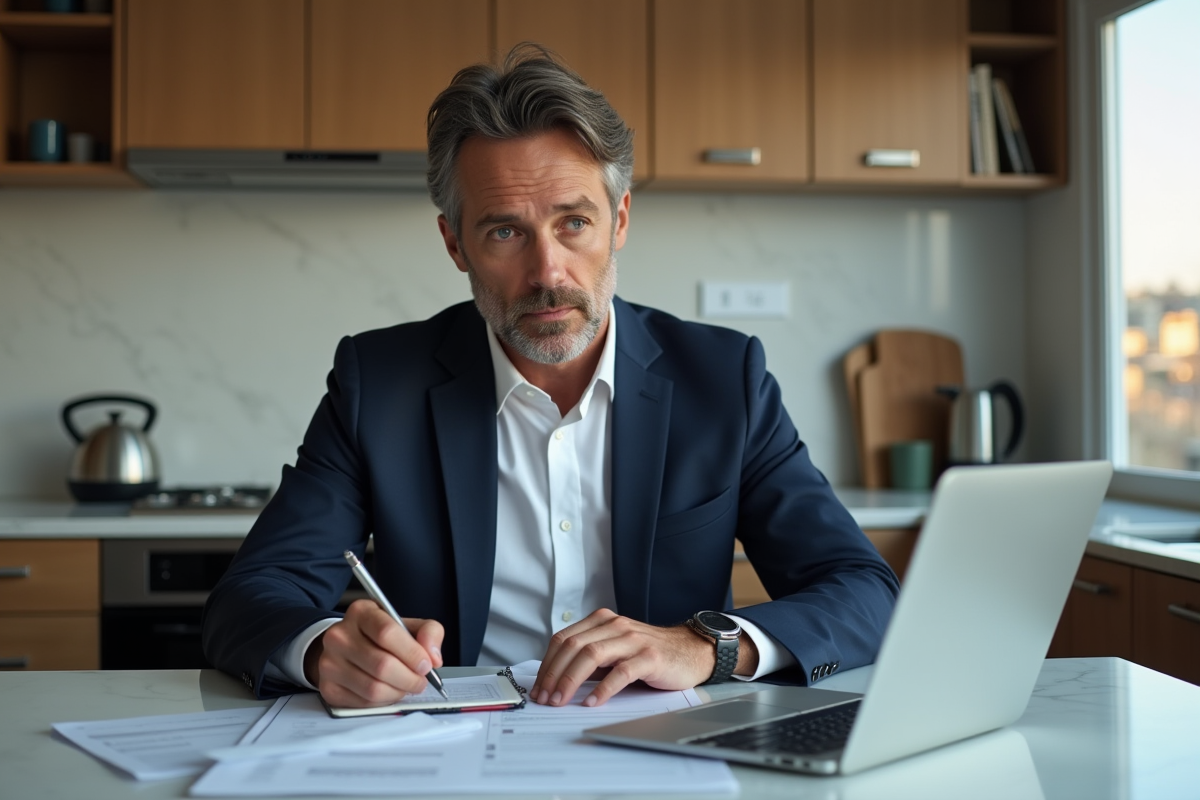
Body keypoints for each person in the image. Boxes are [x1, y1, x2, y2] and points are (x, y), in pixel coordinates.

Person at [202, 45, 899, 710]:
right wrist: (325, 649)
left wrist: (706, 647)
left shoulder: (723, 378)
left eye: (574, 223)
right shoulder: (378, 383)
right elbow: (255, 593)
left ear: (619, 220)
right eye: (505, 232)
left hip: (664, 753)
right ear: (455, 243)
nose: (548, 275)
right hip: (442, 755)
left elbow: (862, 588)